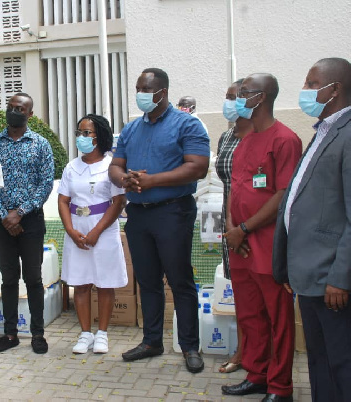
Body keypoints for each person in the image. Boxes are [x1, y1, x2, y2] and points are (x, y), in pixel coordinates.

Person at [109, 68, 209, 373]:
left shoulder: (187, 124)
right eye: (138, 87)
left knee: (180, 281)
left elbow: (198, 168)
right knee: (148, 280)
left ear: (162, 92)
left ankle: (190, 346)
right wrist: (125, 179)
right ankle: (152, 341)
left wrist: (153, 181)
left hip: (173, 212)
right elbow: (115, 166)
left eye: (145, 89)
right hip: (138, 214)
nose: (140, 93)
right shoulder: (130, 129)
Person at [273, 57, 351, 402]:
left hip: (331, 278)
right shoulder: (323, 132)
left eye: (311, 84)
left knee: (342, 363)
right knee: (319, 362)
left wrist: (341, 277)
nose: (304, 91)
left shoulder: (348, 135)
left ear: (334, 89)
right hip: (309, 272)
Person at [222, 73, 301, 402]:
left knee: (277, 318)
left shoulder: (285, 140)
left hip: (266, 244)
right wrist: (231, 229)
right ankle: (257, 375)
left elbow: (283, 194)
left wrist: (245, 228)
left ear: (262, 97)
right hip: (239, 246)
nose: (238, 98)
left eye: (244, 92)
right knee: (250, 314)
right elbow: (235, 188)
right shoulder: (244, 140)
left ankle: (280, 387)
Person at [0, 92, 54, 354]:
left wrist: (20, 212)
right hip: (2, 221)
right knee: (8, 277)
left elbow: (45, 184)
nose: (15, 111)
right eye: (11, 107)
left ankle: (37, 333)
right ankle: (10, 333)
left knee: (33, 277)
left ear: (30, 114)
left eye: (20, 108)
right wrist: (5, 215)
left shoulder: (40, 144)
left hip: (31, 221)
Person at [58, 114, 127, 354]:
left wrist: (98, 230)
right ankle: (85, 333)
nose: (82, 137)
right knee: (81, 282)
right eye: (79, 132)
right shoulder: (71, 167)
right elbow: (63, 200)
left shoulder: (112, 166)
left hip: (104, 228)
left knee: (105, 283)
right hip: (77, 227)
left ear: (100, 136)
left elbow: (118, 202)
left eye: (87, 133)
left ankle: (103, 334)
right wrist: (70, 230)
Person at [215, 79, 252, 374]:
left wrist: (243, 228)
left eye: (234, 97)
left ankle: (256, 354)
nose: (229, 102)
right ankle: (244, 349)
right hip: (228, 220)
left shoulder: (256, 135)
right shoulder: (227, 136)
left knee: (259, 296)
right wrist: (229, 227)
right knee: (239, 292)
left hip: (253, 224)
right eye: (226, 96)